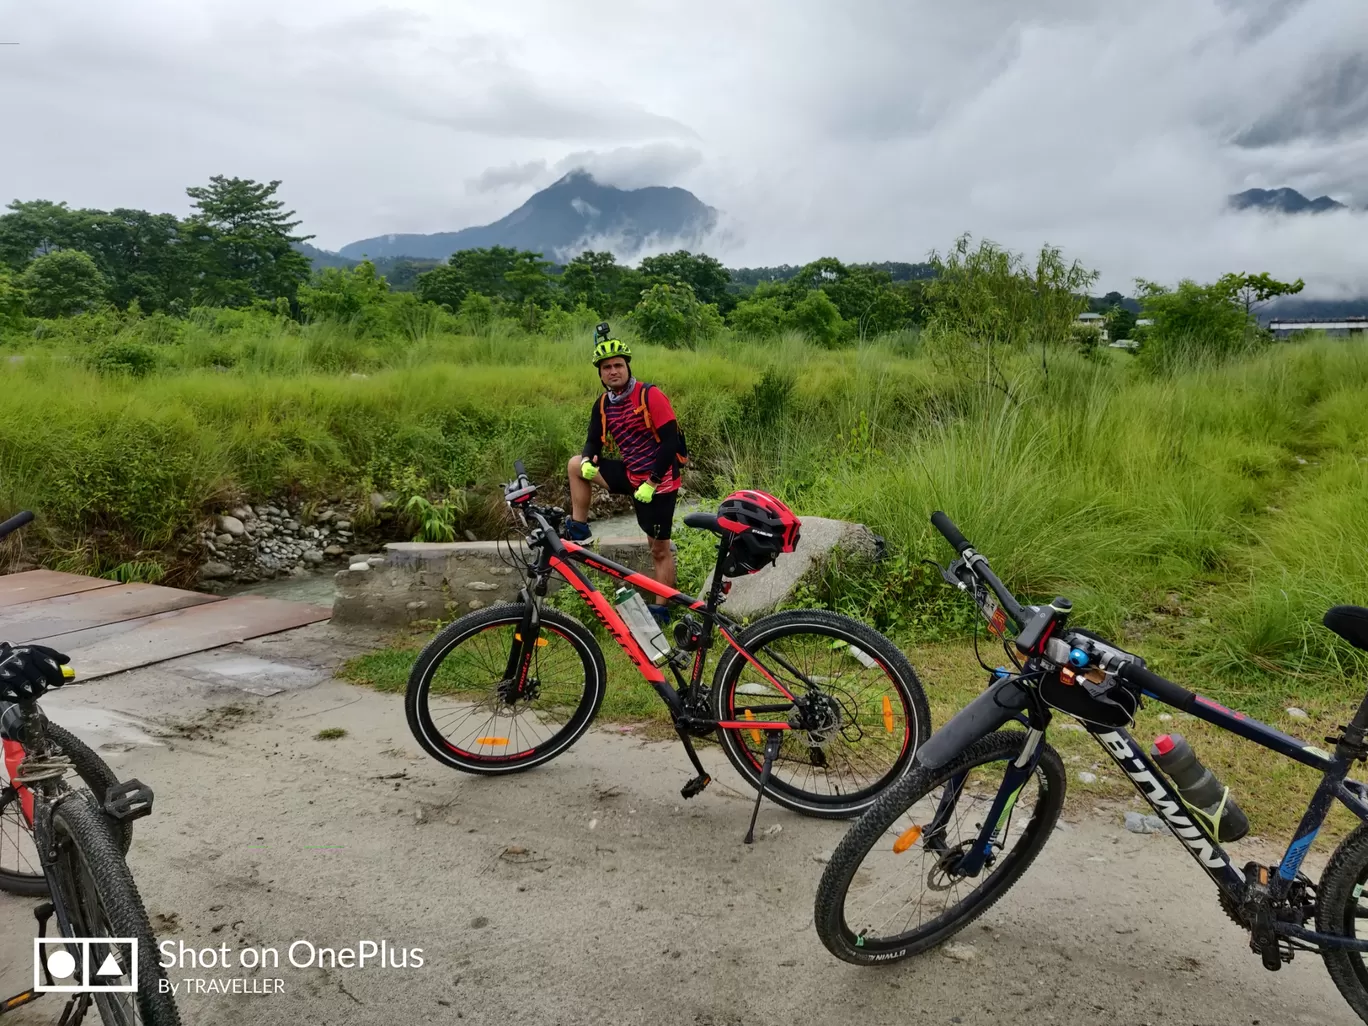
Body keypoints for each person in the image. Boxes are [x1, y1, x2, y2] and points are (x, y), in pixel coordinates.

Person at [565, 328, 683, 603]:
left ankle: (662, 608)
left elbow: (670, 443)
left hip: (660, 482)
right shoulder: (604, 404)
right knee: (573, 464)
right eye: (607, 367)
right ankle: (579, 527)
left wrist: (652, 482)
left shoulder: (650, 395)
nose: (613, 371)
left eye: (618, 365)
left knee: (658, 549)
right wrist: (586, 461)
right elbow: (593, 441)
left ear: (628, 367)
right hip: (631, 476)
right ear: (601, 374)